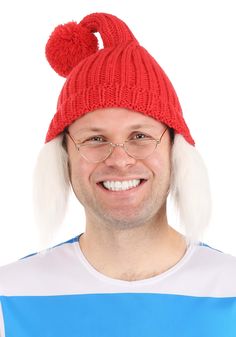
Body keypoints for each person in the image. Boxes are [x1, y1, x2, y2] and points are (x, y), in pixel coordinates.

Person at [0, 12, 235, 337]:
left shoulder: (229, 288)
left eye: (140, 136)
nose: (120, 160)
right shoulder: (10, 296)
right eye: (95, 139)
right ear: (65, 156)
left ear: (174, 150)